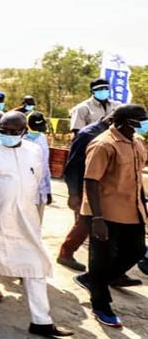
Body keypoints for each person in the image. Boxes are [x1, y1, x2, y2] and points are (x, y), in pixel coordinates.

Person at [0, 111, 73, 339]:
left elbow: (35, 181)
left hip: (25, 219)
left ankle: (41, 321)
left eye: (13, 133)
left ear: (24, 132)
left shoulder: (33, 150)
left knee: (36, 264)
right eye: (3, 132)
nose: (7, 135)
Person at [75, 103, 148, 328]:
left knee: (136, 250)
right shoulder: (103, 144)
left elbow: (137, 176)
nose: (145, 123)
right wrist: (97, 218)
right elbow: (91, 180)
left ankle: (94, 279)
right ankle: (101, 304)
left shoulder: (136, 142)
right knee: (101, 259)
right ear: (126, 122)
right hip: (105, 212)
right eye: (141, 119)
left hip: (132, 209)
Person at [57, 116, 112, 272]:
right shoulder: (88, 134)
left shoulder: (112, 134)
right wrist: (73, 193)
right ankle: (66, 253)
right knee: (86, 221)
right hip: (87, 184)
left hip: (105, 185)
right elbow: (73, 165)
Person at [26, 111, 52, 220]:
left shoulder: (42, 138)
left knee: (37, 224)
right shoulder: (22, 140)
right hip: (25, 191)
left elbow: (45, 165)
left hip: (41, 189)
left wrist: (48, 190)